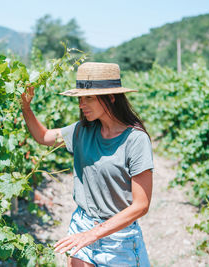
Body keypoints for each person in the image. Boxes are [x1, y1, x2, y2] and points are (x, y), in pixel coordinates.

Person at [21, 62, 153, 267]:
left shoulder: (135, 140)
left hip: (119, 239)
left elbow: (141, 205)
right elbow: (44, 136)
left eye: (88, 98)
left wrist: (94, 234)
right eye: (80, 98)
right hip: (82, 225)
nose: (82, 104)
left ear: (111, 97)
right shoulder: (81, 131)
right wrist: (26, 107)